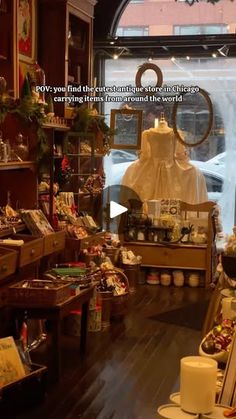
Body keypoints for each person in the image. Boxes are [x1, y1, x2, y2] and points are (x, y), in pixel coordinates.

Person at [122, 114, 208, 204]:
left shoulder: (149, 134)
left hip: (154, 167)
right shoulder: (149, 134)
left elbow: (144, 156)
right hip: (170, 167)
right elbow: (181, 155)